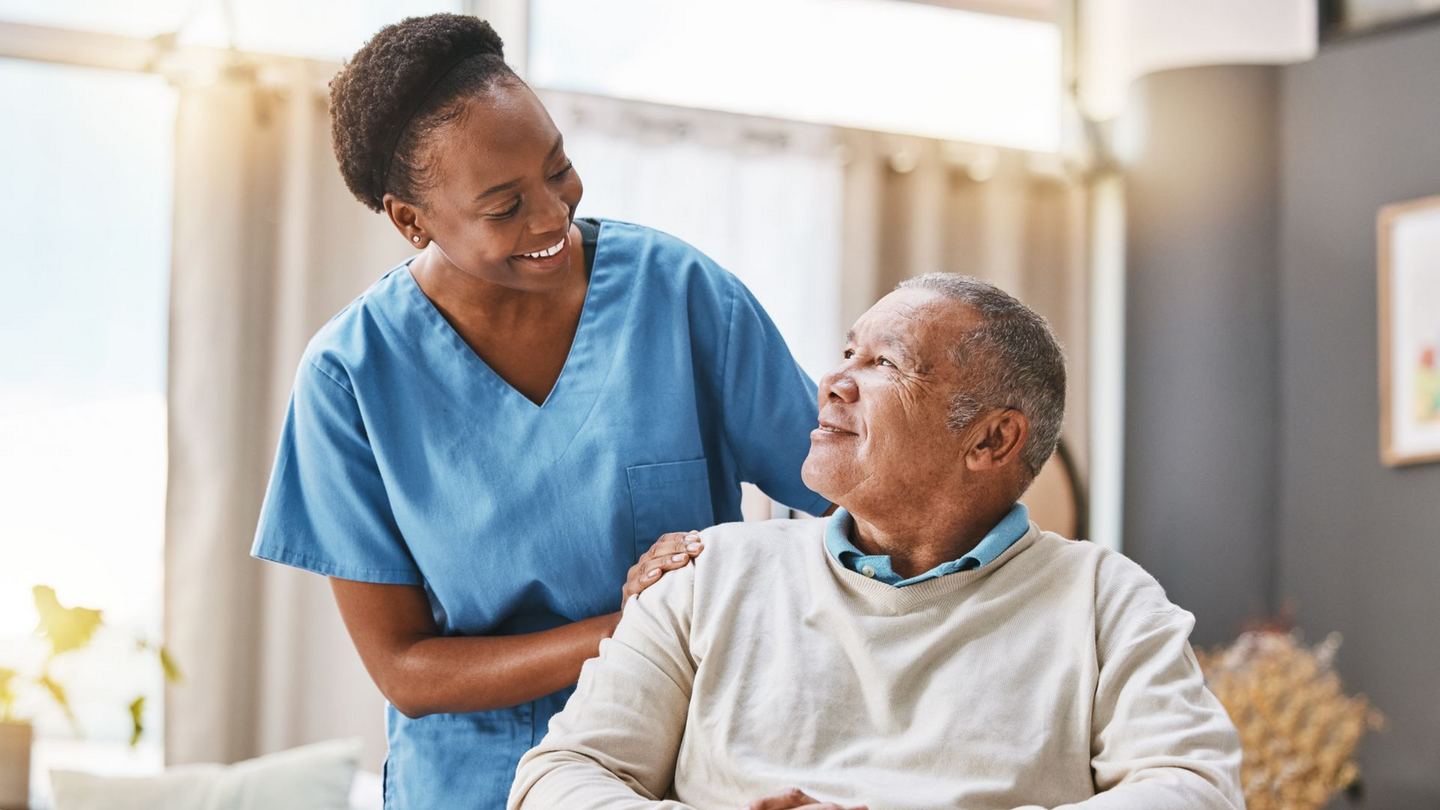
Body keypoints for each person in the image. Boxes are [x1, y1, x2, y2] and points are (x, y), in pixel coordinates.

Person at [249, 13, 828, 810]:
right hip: (476, 787)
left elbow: (852, 496)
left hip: (693, 770)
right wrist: (631, 625)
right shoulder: (350, 378)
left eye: (559, 169)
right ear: (410, 220)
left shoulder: (679, 294)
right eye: (504, 205)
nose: (552, 216)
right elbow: (405, 671)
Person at [509, 274, 1245, 810]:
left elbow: (1195, 788)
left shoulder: (1103, 599)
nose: (831, 380)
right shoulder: (709, 572)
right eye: (848, 352)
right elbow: (557, 777)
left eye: (884, 364)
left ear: (991, 439)